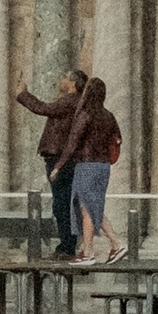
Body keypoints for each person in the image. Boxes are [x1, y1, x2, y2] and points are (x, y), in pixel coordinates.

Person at [18, 69, 90, 257]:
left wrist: (23, 94)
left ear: (73, 84)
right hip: (64, 157)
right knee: (65, 202)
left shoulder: (69, 100)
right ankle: (68, 244)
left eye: (64, 77)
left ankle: (67, 246)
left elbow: (44, 109)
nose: (61, 80)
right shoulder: (77, 101)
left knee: (62, 204)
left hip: (60, 158)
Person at [63, 77, 123, 263]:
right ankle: (115, 243)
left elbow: (73, 142)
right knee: (93, 206)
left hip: (87, 165)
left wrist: (59, 165)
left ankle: (89, 252)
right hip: (103, 167)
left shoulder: (85, 115)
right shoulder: (108, 115)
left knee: (86, 207)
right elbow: (118, 139)